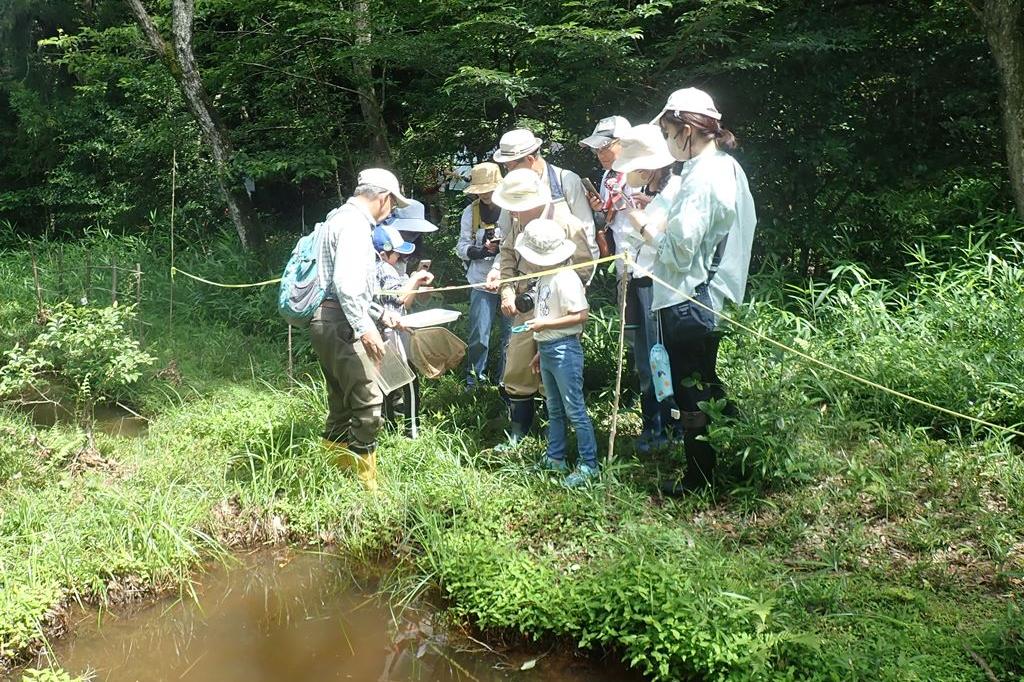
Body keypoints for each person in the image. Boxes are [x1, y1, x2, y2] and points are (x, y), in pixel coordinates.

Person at [630, 87, 757, 493]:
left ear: (687, 130)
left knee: (693, 392)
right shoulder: (724, 167)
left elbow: (680, 249)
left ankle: (698, 479)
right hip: (709, 296)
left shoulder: (705, 176)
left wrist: (645, 229)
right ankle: (746, 454)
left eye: (668, 132)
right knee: (705, 385)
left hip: (690, 299)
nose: (667, 141)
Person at [311, 168, 411, 492]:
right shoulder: (355, 225)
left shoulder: (335, 218)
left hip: (324, 320)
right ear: (382, 197)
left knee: (340, 402)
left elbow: (345, 288)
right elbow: (347, 287)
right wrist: (365, 329)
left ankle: (333, 478)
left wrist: (381, 314)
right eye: (393, 204)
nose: (392, 210)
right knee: (369, 404)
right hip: (343, 324)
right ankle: (366, 488)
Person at [487, 169, 595, 449]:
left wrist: (562, 293)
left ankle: (555, 437)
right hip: (524, 305)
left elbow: (585, 266)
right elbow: (508, 256)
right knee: (518, 367)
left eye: (517, 208)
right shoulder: (515, 221)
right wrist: (507, 292)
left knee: (556, 369)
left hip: (560, 308)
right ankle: (519, 432)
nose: (513, 213)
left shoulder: (567, 222)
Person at [610, 123, 683, 454]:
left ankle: (669, 425)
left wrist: (637, 214)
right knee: (643, 355)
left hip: (659, 285)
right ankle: (651, 423)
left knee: (658, 354)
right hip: (637, 280)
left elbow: (662, 238)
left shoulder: (677, 189)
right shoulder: (656, 194)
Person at [516, 218, 599, 487]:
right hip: (548, 348)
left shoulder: (566, 277)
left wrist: (545, 326)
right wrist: (541, 345)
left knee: (574, 409)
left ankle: (589, 464)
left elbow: (580, 315)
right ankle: (556, 457)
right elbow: (549, 312)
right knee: (553, 408)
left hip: (564, 350)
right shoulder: (545, 277)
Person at [488, 128, 598, 266]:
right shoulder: (511, 187)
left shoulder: (566, 181)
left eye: (509, 166)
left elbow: (586, 233)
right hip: (524, 276)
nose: (508, 171)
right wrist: (498, 268)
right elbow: (506, 236)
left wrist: (584, 278)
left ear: (530, 159)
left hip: (564, 274)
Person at [372, 224, 434, 439]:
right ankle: (412, 430)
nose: (398, 256)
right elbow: (398, 297)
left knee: (386, 383)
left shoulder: (372, 267)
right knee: (409, 381)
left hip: (380, 333)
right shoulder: (383, 268)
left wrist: (414, 284)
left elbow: (403, 303)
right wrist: (416, 278)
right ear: (382, 254)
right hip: (389, 334)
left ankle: (389, 428)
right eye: (395, 253)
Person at [456, 162, 511, 391]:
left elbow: (515, 242)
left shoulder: (511, 208)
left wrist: (500, 250)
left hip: (508, 277)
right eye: (481, 190)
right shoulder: (471, 212)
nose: (485, 194)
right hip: (479, 278)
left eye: (488, 188)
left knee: (511, 335)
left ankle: (506, 381)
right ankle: (474, 381)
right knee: (479, 333)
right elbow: (461, 245)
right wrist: (479, 251)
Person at [578, 115, 634, 261]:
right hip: (620, 256)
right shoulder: (608, 175)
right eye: (596, 149)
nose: (600, 154)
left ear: (625, 142)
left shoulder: (641, 172)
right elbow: (608, 220)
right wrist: (598, 210)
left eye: (605, 147)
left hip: (646, 260)